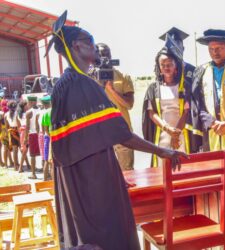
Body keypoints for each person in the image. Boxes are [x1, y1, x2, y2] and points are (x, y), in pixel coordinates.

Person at [48, 11, 186, 250]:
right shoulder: (84, 85)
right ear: (76, 46)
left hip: (74, 182)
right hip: (95, 185)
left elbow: (81, 143)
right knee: (110, 237)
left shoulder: (62, 86)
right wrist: (163, 152)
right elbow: (121, 134)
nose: (95, 46)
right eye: (90, 42)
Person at [191, 29, 225, 154]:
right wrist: (211, 122)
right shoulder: (201, 71)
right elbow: (197, 103)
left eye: (219, 48)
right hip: (212, 129)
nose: (215, 52)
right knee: (214, 168)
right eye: (211, 49)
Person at [142, 44, 191, 167]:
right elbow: (151, 112)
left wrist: (176, 134)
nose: (166, 68)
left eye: (169, 64)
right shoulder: (153, 88)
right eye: (162, 65)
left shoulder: (184, 87)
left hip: (182, 133)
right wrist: (167, 129)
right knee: (163, 168)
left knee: (183, 167)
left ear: (176, 66)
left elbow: (186, 112)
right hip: (163, 133)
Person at [93, 43, 135, 171]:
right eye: (100, 55)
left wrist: (111, 90)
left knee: (127, 172)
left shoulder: (123, 77)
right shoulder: (89, 78)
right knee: (103, 174)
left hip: (122, 132)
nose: (104, 58)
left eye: (107, 54)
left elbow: (129, 104)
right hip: (99, 135)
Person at [25, 96, 41, 179]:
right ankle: (48, 172)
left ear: (31, 102)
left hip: (32, 134)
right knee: (43, 154)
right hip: (41, 133)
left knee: (32, 155)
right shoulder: (41, 110)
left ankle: (33, 174)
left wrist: (25, 138)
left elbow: (27, 127)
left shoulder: (29, 112)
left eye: (28, 102)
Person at [16, 100, 30, 173]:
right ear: (24, 106)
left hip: (22, 132)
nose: (27, 106)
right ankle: (20, 167)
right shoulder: (27, 114)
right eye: (26, 105)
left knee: (24, 150)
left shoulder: (18, 115)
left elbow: (18, 126)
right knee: (25, 151)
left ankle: (26, 165)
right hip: (26, 131)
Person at [40, 95, 52, 180]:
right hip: (56, 138)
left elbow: (45, 130)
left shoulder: (46, 113)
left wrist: (50, 136)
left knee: (46, 160)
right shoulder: (56, 111)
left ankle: (44, 180)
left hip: (48, 137)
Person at [4, 101, 19, 169]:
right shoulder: (18, 113)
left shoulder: (6, 115)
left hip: (11, 131)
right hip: (18, 131)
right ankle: (23, 165)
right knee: (22, 149)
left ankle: (16, 166)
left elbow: (7, 127)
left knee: (15, 149)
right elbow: (19, 124)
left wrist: (10, 133)